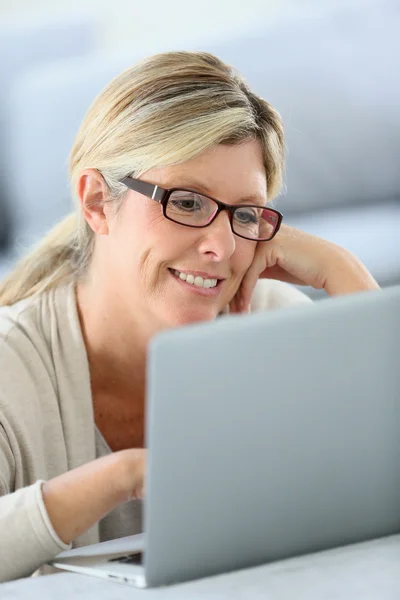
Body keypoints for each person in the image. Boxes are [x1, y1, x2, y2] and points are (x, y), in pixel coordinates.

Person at [0, 51, 379, 583]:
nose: (221, 247)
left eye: (245, 213)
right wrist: (122, 476)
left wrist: (345, 275)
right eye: (187, 202)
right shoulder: (12, 368)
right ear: (96, 203)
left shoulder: (273, 324)